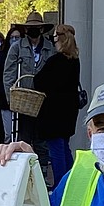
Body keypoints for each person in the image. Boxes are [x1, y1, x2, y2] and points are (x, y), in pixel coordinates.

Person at [3, 12, 55, 172]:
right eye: (31, 28)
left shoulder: (49, 48)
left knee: (42, 139)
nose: (34, 30)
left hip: (42, 101)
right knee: (24, 137)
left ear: (41, 29)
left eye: (37, 28)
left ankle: (42, 171)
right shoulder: (17, 47)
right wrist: (11, 97)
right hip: (23, 101)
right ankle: (23, 171)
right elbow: (9, 73)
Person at [33, 24, 81, 186]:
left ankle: (61, 184)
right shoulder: (74, 60)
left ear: (59, 39)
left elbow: (38, 81)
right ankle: (71, 180)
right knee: (63, 147)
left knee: (56, 150)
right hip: (69, 109)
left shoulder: (56, 60)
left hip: (53, 110)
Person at [0, 27, 23, 143]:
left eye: (17, 38)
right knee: (9, 134)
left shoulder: (23, 54)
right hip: (6, 100)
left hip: (23, 101)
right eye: (12, 38)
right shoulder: (2, 57)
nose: (14, 40)